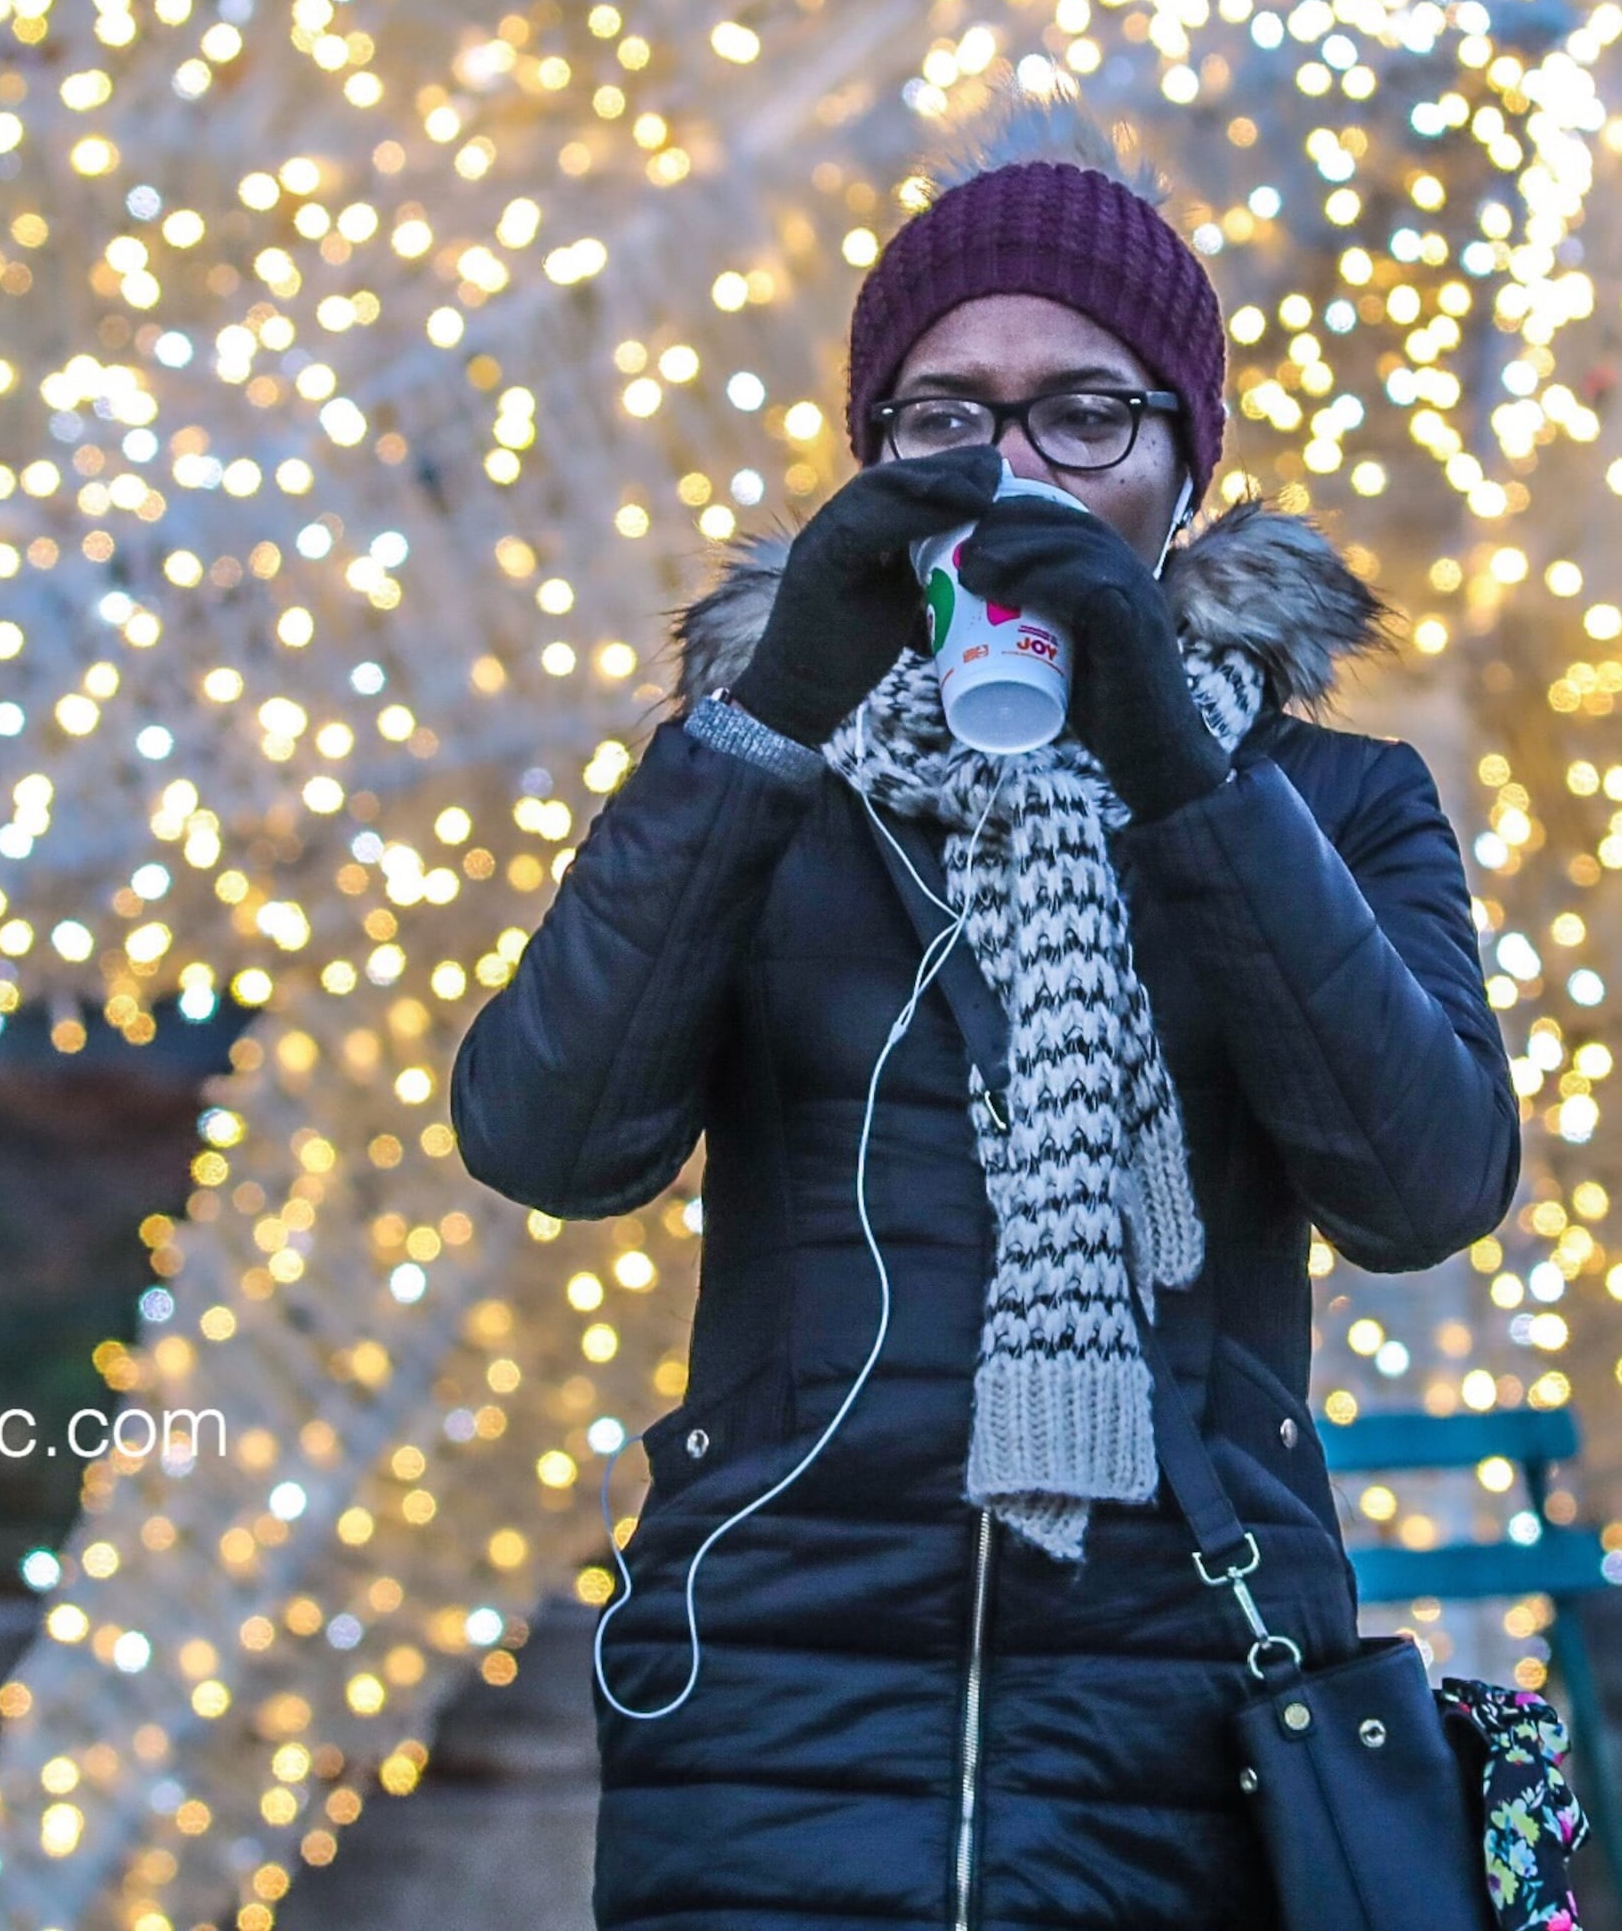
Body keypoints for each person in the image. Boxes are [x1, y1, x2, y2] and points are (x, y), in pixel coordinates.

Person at [449, 104, 1524, 1930]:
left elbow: (1424, 1190)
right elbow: (549, 1138)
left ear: (1185, 468)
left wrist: (1181, 759)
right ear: (870, 457)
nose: (1013, 465)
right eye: (946, 416)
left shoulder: (1332, 802)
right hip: (771, 1716)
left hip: (1183, 1730)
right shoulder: (756, 784)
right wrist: (770, 718)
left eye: (1084, 414)